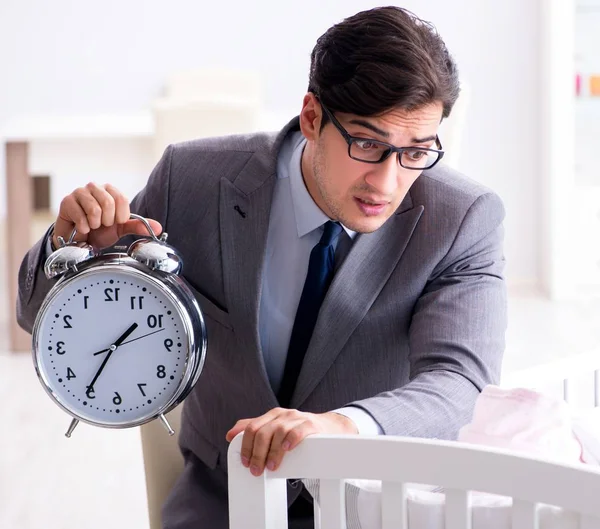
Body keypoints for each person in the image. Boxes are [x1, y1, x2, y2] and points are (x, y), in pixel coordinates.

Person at [16, 6, 507, 529]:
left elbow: (460, 384)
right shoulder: (192, 180)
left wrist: (343, 427)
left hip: (372, 510)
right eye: (367, 144)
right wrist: (74, 254)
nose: (386, 184)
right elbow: (34, 316)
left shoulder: (462, 219)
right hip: (218, 502)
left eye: (416, 151)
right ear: (313, 116)